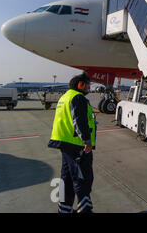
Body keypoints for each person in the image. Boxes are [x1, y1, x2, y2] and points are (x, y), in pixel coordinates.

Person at [47, 72, 96, 213]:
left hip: (65, 143)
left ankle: (64, 209)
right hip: (76, 145)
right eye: (87, 85)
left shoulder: (65, 97)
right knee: (82, 179)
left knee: (66, 179)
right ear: (80, 84)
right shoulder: (78, 98)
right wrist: (86, 141)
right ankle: (85, 210)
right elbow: (78, 121)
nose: (89, 88)